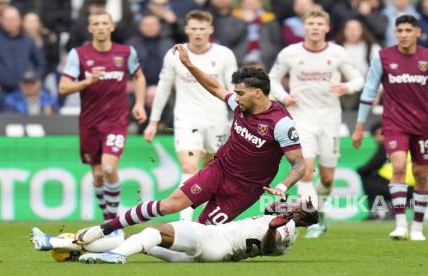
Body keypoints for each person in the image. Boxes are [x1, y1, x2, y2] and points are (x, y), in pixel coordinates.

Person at [73, 43, 306, 245]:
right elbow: (215, 87)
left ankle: (130, 245)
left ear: (257, 94)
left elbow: (299, 165)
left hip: (244, 190)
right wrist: (189, 64)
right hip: (220, 170)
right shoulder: (240, 104)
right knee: (169, 205)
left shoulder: (281, 124)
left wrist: (283, 187)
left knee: (198, 236)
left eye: (240, 93)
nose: (235, 97)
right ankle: (105, 230)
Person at [352, 15, 428, 241]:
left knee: (421, 174)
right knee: (398, 166)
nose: (403, 34)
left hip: (423, 125)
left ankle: (418, 227)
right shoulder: (384, 57)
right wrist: (359, 126)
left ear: (418, 32)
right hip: (394, 123)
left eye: (408, 30)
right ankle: (400, 225)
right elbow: (369, 91)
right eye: (399, 30)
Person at [269, 8, 364, 238]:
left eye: (319, 24)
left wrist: (346, 87)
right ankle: (312, 221)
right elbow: (272, 79)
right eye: (310, 24)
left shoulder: (337, 53)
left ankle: (318, 211)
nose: (315, 28)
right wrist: (283, 96)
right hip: (301, 119)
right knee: (306, 173)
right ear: (304, 27)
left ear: (327, 28)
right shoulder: (289, 53)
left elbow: (359, 79)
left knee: (328, 179)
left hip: (330, 120)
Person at [143, 10, 237, 221]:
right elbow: (164, 87)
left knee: (212, 172)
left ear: (210, 30)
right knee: (189, 167)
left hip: (216, 120)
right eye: (193, 28)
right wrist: (153, 121)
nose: (197, 33)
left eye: (202, 29)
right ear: (186, 30)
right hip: (186, 119)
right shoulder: (175, 54)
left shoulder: (224, 55)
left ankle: (210, 219)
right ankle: (185, 223)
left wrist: (241, 116)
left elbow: (233, 90)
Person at [58, 11, 147, 220]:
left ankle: (111, 221)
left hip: (116, 121)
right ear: (90, 28)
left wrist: (140, 104)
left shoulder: (126, 52)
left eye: (104, 23)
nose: (100, 27)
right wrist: (86, 82)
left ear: (111, 27)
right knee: (98, 175)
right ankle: (107, 217)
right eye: (95, 23)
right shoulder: (78, 54)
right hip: (89, 123)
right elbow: (63, 88)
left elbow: (139, 77)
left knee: (108, 167)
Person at [31, 200, 318, 264]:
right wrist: (272, 221)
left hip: (214, 239)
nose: (290, 201)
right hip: (210, 257)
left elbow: (270, 246)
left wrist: (272, 227)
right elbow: (270, 246)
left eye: (297, 203)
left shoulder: (286, 228)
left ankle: (115, 256)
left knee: (155, 230)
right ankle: (58, 244)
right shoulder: (283, 224)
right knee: (141, 240)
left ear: (301, 214)